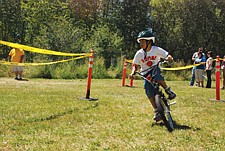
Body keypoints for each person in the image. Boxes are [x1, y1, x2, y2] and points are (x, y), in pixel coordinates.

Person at [129, 29, 176, 121]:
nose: (141, 43)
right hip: (145, 73)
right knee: (148, 90)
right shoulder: (139, 53)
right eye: (140, 41)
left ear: (149, 41)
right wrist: (133, 72)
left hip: (155, 68)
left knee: (157, 76)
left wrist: (168, 58)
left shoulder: (156, 49)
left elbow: (167, 55)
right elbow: (135, 65)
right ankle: (156, 110)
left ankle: (168, 90)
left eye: (143, 41)